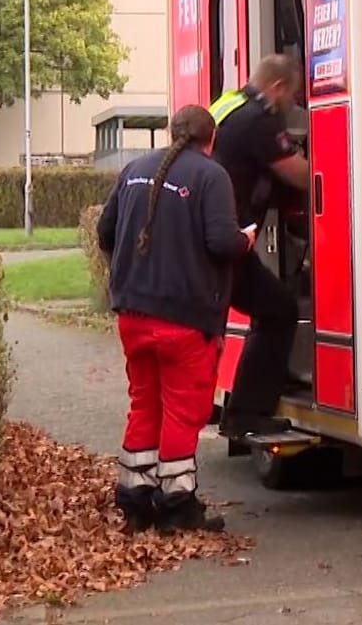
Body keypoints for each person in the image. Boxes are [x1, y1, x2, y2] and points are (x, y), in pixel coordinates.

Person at [96, 104, 258, 535]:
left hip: (132, 313)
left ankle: (135, 498)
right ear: (211, 140)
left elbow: (105, 233)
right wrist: (247, 239)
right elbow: (221, 241)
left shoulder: (134, 168)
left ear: (172, 133)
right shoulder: (210, 175)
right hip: (185, 318)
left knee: (145, 402)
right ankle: (176, 502)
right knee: (184, 411)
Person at [208, 54, 313, 440]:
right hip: (225, 243)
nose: (295, 104)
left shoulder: (228, 103)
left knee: (263, 311)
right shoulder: (262, 120)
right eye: (295, 94)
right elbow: (302, 175)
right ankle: (246, 414)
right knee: (279, 311)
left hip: (212, 236)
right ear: (278, 88)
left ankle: (238, 410)